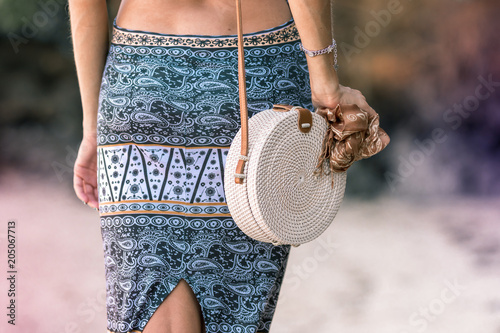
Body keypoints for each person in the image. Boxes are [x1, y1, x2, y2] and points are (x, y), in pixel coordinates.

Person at [70, 0, 374, 332]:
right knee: (234, 308)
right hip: (254, 72)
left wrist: (93, 129)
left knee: (148, 296)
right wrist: (324, 79)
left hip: (142, 80)